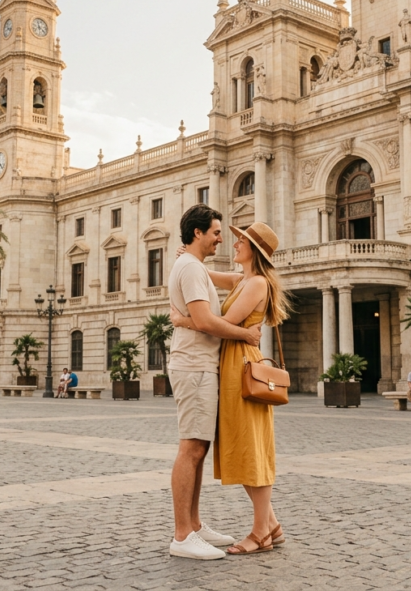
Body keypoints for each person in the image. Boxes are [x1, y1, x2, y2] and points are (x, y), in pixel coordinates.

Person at [172, 219, 289, 556]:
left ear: (254, 250)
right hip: (233, 365)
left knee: (250, 447)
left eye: (240, 240)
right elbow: (205, 274)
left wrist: (183, 321)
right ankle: (273, 525)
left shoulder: (256, 285)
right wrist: (190, 258)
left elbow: (223, 324)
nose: (234, 243)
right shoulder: (244, 279)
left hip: (241, 366)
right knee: (244, 444)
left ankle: (260, 532)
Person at [166, 204, 262, 560]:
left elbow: (240, 280)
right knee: (190, 449)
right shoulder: (191, 268)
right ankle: (181, 535)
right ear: (198, 233)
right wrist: (244, 335)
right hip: (194, 366)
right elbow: (205, 320)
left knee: (199, 449)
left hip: (200, 364)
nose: (222, 238)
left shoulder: (195, 267)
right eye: (217, 232)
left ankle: (193, 524)